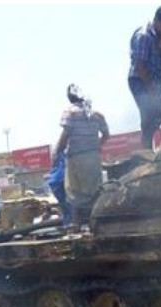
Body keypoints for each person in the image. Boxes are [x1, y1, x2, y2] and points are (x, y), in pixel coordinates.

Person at [54, 84, 110, 228]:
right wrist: (95, 146)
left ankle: (76, 225)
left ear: (70, 98)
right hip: (93, 157)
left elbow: (65, 135)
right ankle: (96, 223)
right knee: (95, 190)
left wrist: (57, 152)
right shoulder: (97, 115)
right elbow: (106, 135)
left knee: (74, 192)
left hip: (76, 158)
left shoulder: (70, 112)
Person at [129, 6, 161, 150]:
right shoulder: (144, 36)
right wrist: (151, 88)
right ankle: (146, 150)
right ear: (156, 20)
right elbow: (140, 66)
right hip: (140, 80)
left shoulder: (160, 38)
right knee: (149, 114)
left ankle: (154, 147)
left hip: (155, 81)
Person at [47, 149, 71, 226]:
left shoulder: (59, 160)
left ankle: (67, 225)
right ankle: (68, 226)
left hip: (56, 183)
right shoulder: (64, 158)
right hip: (60, 183)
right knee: (69, 209)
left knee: (66, 209)